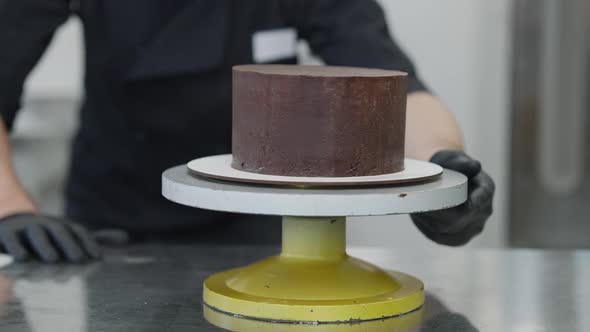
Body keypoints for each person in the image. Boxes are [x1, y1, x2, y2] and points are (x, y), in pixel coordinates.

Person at [0, 0, 495, 263]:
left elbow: (389, 75)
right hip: (112, 225)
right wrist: (11, 210)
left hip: (255, 223)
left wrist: (444, 165)